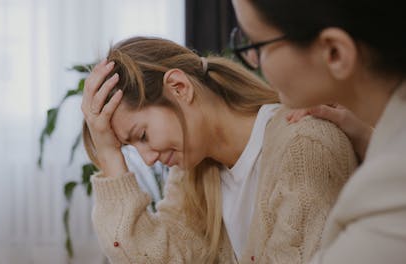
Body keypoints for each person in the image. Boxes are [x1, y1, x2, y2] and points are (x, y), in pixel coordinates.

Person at [81, 36, 356, 263]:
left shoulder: (304, 146)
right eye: (131, 148)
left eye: (143, 135)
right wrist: (109, 156)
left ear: (179, 87)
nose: (149, 159)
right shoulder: (191, 176)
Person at [232, 0, 406, 263]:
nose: (254, 62)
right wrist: (367, 139)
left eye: (258, 45)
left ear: (335, 52)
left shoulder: (391, 189)